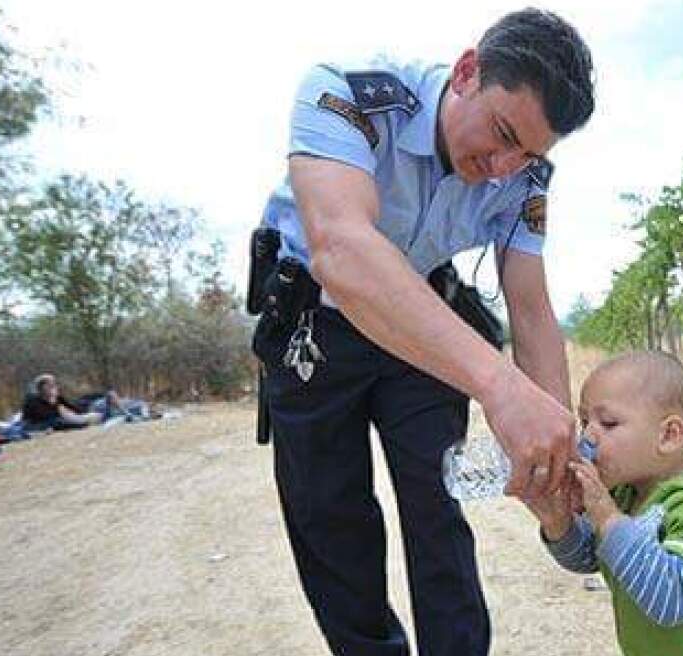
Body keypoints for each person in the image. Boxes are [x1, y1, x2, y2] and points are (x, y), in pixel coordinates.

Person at [250, 8, 595, 655]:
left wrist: (558, 453)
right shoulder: (346, 93)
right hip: (315, 323)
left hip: (424, 328)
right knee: (332, 520)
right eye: (502, 134)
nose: (503, 168)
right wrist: (501, 387)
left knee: (438, 509)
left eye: (528, 153)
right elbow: (341, 250)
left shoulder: (524, 179)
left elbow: (530, 308)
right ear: (466, 72)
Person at [527, 351, 683, 656]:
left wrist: (607, 518)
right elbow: (591, 557)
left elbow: (673, 599)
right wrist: (559, 524)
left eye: (608, 423)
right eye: (585, 422)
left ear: (669, 435)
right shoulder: (625, 496)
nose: (587, 438)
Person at [20, 374, 106, 432]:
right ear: (43, 387)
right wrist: (53, 402)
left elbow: (71, 407)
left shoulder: (56, 396)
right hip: (35, 423)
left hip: (53, 420)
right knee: (57, 422)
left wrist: (84, 414)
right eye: (51, 385)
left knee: (86, 413)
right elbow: (46, 416)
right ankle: (81, 425)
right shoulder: (32, 399)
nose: (54, 387)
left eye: (53, 384)